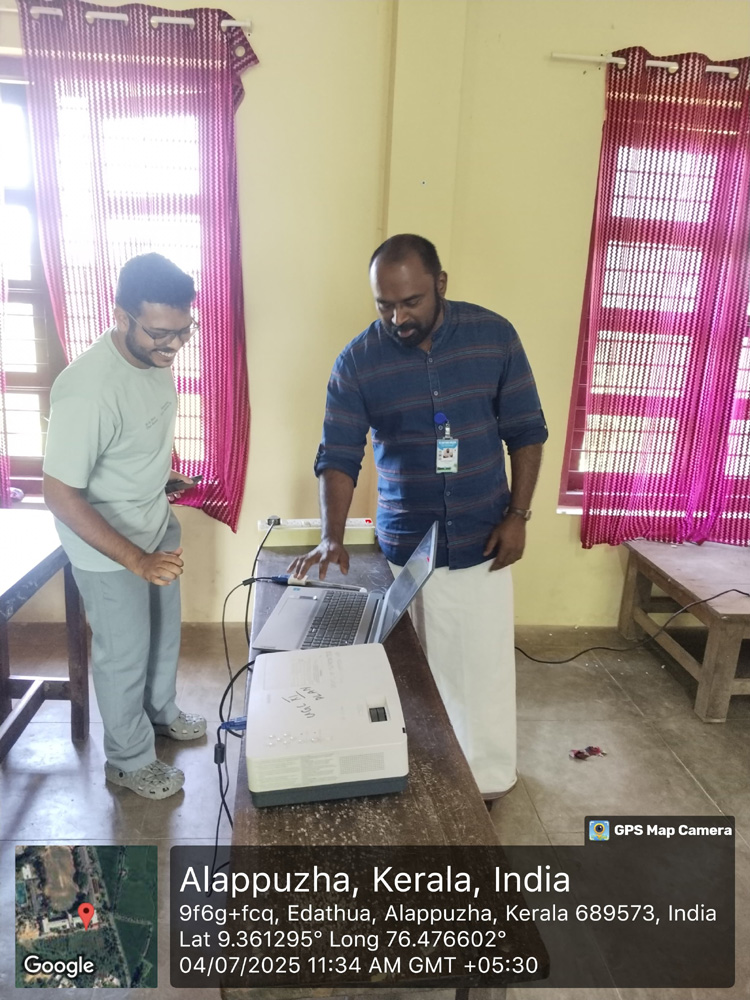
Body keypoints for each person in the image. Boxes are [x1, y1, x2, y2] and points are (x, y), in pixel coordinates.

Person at [288, 234, 547, 805]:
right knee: (416, 670)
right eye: (385, 305)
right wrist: (332, 535)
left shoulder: (494, 337)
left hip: (483, 534)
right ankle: (433, 779)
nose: (398, 318)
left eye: (411, 302)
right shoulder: (358, 361)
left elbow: (527, 431)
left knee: (482, 666)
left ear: (441, 284)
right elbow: (338, 454)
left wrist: (519, 515)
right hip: (408, 542)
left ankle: (487, 780)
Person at [43, 253, 206, 800]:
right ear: (121, 316)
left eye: (183, 331)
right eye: (160, 334)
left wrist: (160, 477)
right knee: (124, 654)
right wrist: (135, 559)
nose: (173, 346)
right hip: (110, 550)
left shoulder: (154, 357)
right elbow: (60, 494)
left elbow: (127, 443)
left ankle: (159, 714)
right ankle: (129, 760)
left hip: (154, 525)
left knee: (161, 636)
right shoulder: (87, 389)